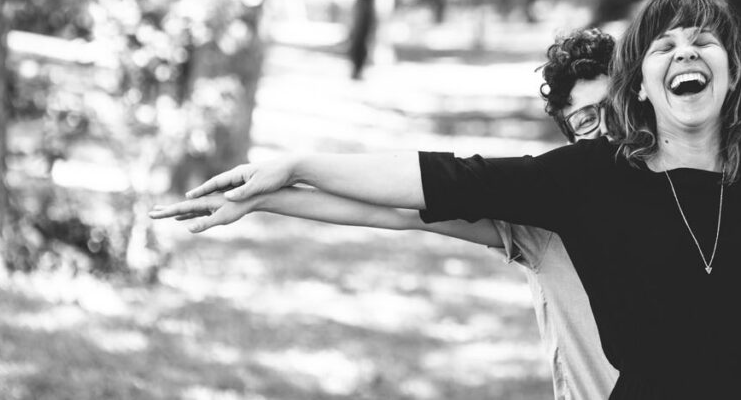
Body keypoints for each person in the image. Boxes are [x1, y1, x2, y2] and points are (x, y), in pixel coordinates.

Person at [162, 0, 741, 399]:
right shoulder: (573, 190)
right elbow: (422, 186)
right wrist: (289, 170)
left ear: (733, 73)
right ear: (640, 87)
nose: (684, 53)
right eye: (662, 46)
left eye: (705, 42)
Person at [154, 28, 621, 400]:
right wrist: (263, 197)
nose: (605, 132)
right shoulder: (543, 219)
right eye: (585, 121)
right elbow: (400, 209)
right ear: (568, 140)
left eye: (612, 109)